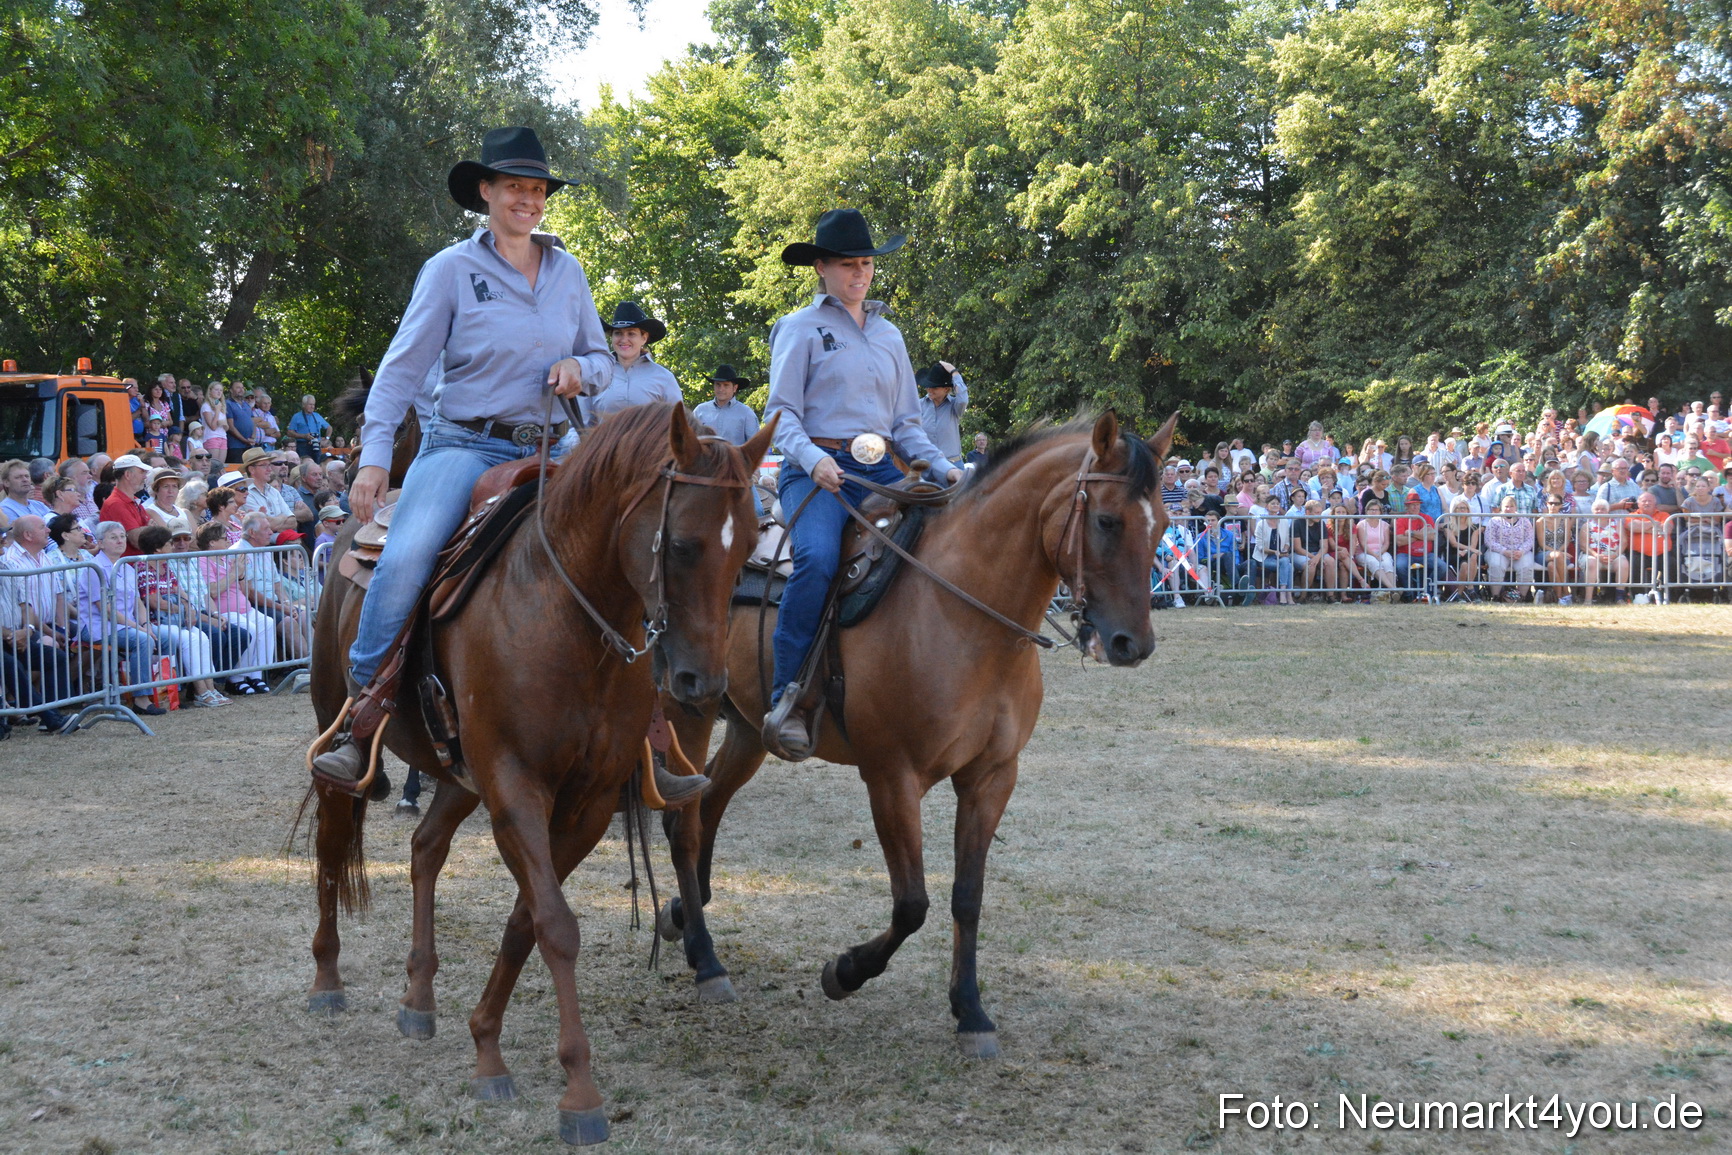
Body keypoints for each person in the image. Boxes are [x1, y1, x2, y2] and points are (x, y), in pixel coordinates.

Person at [312, 126, 635, 791]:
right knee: (405, 557)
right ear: (485, 192)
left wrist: (581, 366)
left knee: (638, 543)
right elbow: (402, 370)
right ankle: (360, 715)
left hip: (556, 447)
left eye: (538, 189)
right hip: (464, 443)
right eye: (514, 187)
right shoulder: (451, 269)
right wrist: (375, 457)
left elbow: (603, 360)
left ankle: (645, 726)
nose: (528, 200)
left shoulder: (568, 271)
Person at [759, 208, 962, 761]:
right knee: (820, 559)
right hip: (816, 469)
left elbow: (905, 425)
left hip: (882, 468)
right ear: (821, 267)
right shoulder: (799, 328)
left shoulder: (889, 333)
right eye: (848, 264)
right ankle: (787, 697)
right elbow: (781, 417)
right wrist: (813, 462)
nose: (860, 273)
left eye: (867, 262)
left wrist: (947, 470)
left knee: (942, 542)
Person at [74, 522, 166, 716]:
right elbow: (106, 610)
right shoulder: (94, 568)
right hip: (100, 626)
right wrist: (138, 628)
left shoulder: (126, 567)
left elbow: (138, 602)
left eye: (123, 536)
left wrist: (145, 623)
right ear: (100, 543)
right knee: (143, 640)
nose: (120, 541)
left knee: (171, 638)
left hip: (127, 625)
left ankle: (176, 693)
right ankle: (141, 699)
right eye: (113, 537)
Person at [591, 301, 682, 420]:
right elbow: (582, 424)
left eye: (631, 334)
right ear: (611, 337)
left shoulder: (664, 378)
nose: (624, 340)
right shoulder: (595, 375)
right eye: (618, 333)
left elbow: (679, 423)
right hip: (603, 439)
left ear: (644, 338)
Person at [692, 365, 761, 446]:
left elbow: (755, 445)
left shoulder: (746, 414)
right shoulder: (700, 411)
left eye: (726, 385)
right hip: (705, 458)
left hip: (734, 458)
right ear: (714, 386)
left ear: (735, 388)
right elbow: (689, 441)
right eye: (718, 384)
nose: (721, 389)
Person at [1484, 495, 1536, 600]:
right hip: (1498, 551)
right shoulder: (1494, 521)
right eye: (1506, 506)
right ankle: (1495, 596)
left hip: (1520, 552)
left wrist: (1521, 551)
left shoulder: (1525, 521)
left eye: (1511, 506)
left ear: (1516, 508)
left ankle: (1522, 597)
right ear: (1501, 507)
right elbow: (1489, 540)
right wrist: (1504, 551)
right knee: (1496, 565)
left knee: (1526, 567)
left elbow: (1530, 539)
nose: (1509, 509)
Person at [915, 361, 969, 462]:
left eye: (934, 387)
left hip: (953, 464)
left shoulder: (954, 406)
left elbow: (963, 399)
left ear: (946, 389)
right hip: (927, 465)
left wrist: (954, 372)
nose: (929, 389)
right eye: (928, 386)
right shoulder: (919, 405)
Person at [1354, 498, 1398, 599]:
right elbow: (1363, 544)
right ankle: (1393, 589)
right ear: (1366, 511)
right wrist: (1375, 555)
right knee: (1374, 562)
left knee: (1387, 563)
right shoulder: (1361, 525)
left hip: (1381, 551)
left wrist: (1380, 553)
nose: (1374, 512)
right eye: (1371, 509)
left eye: (1376, 509)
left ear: (1380, 511)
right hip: (1364, 552)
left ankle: (1393, 592)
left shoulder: (1384, 525)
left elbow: (1386, 543)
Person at [289, 394, 332, 458]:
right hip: (302, 446)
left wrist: (326, 439)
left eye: (313, 404)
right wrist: (304, 436)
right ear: (304, 405)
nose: (312, 407)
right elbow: (290, 432)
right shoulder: (297, 416)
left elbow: (329, 428)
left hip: (316, 445)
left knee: (318, 464)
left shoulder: (317, 416)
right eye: (310, 404)